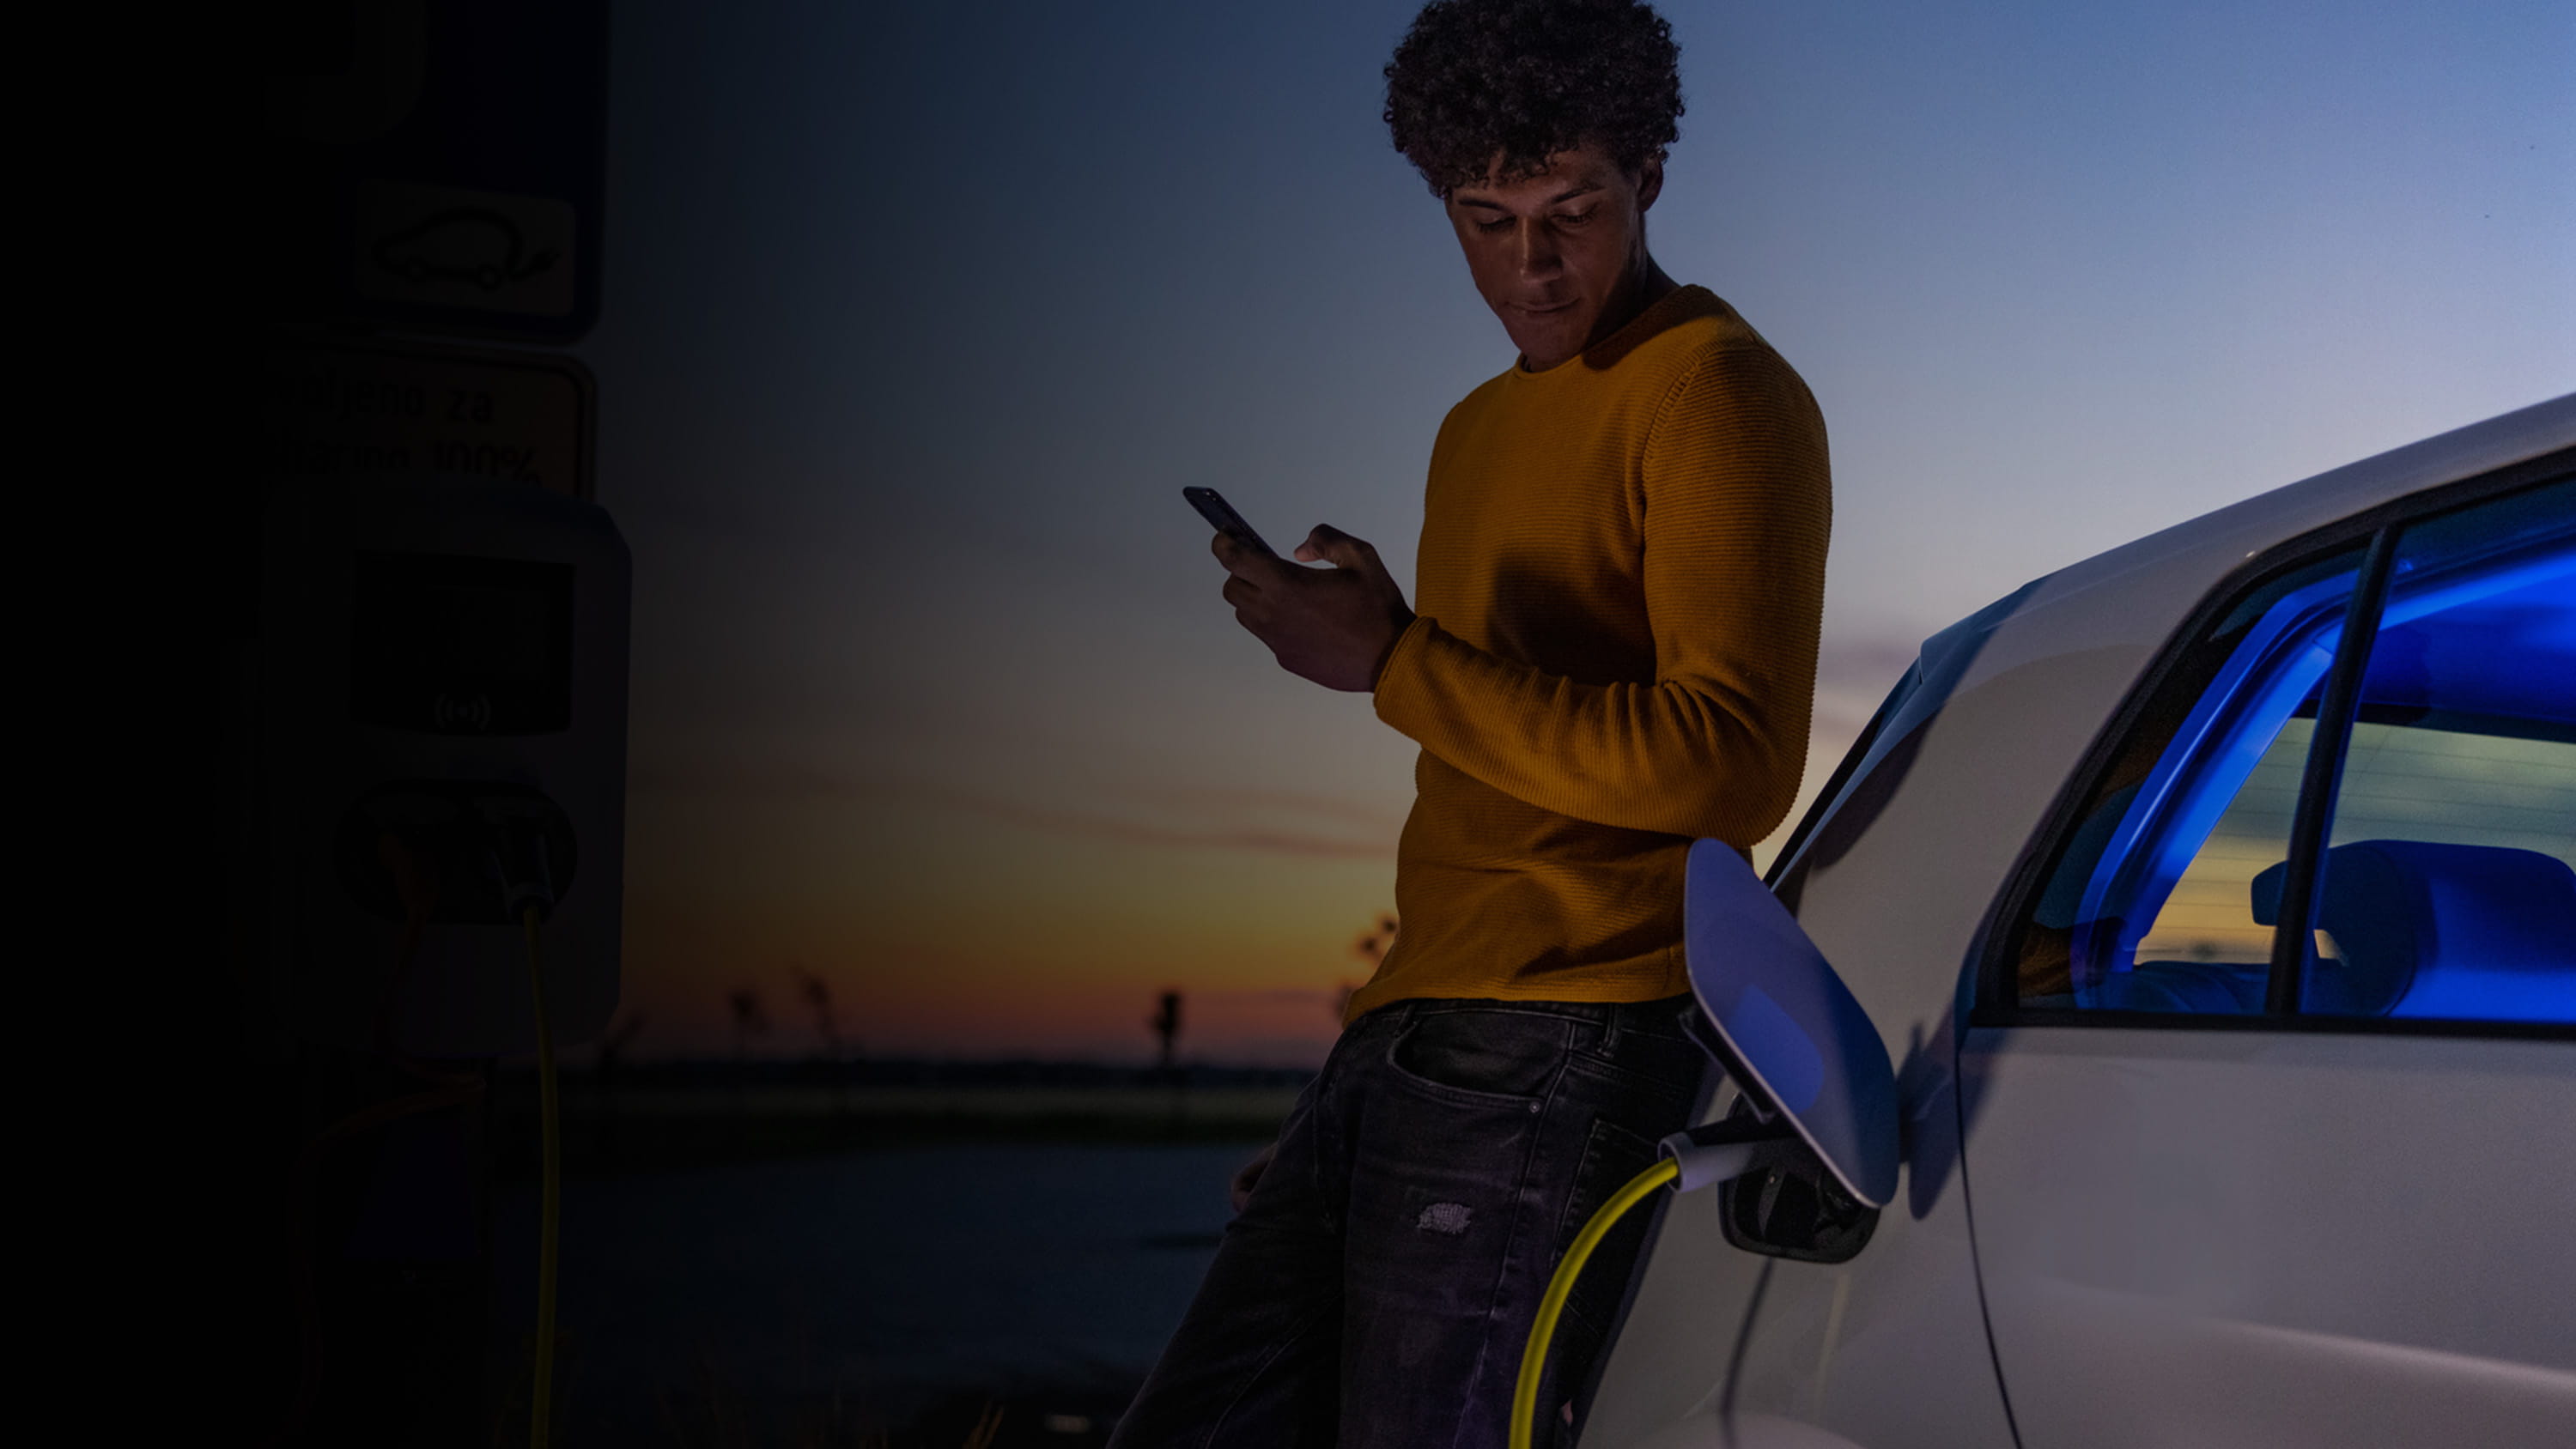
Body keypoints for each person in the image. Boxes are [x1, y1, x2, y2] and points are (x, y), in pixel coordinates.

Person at [1111, 2, 1830, 1444]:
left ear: (1652, 179)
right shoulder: (1473, 428)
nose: (1532, 264)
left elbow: (1729, 766)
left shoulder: (1718, 392)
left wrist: (1391, 664)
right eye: (1486, 217)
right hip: (1422, 1033)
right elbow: (1473, 798)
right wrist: (1362, 1085)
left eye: (1575, 209)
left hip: (1573, 1040)